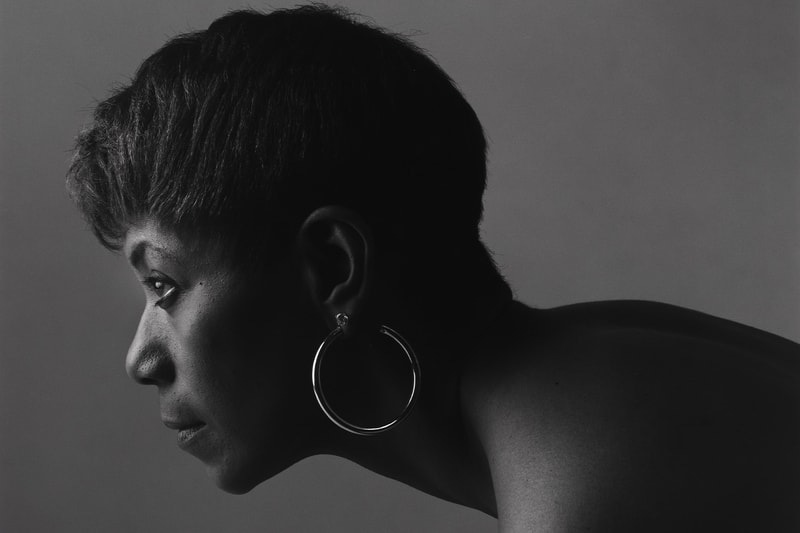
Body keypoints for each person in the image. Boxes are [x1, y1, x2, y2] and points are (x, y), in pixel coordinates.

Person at [67, 5, 799, 531]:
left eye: (165, 285)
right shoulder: (596, 373)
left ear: (333, 265)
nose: (141, 359)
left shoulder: (593, 479)